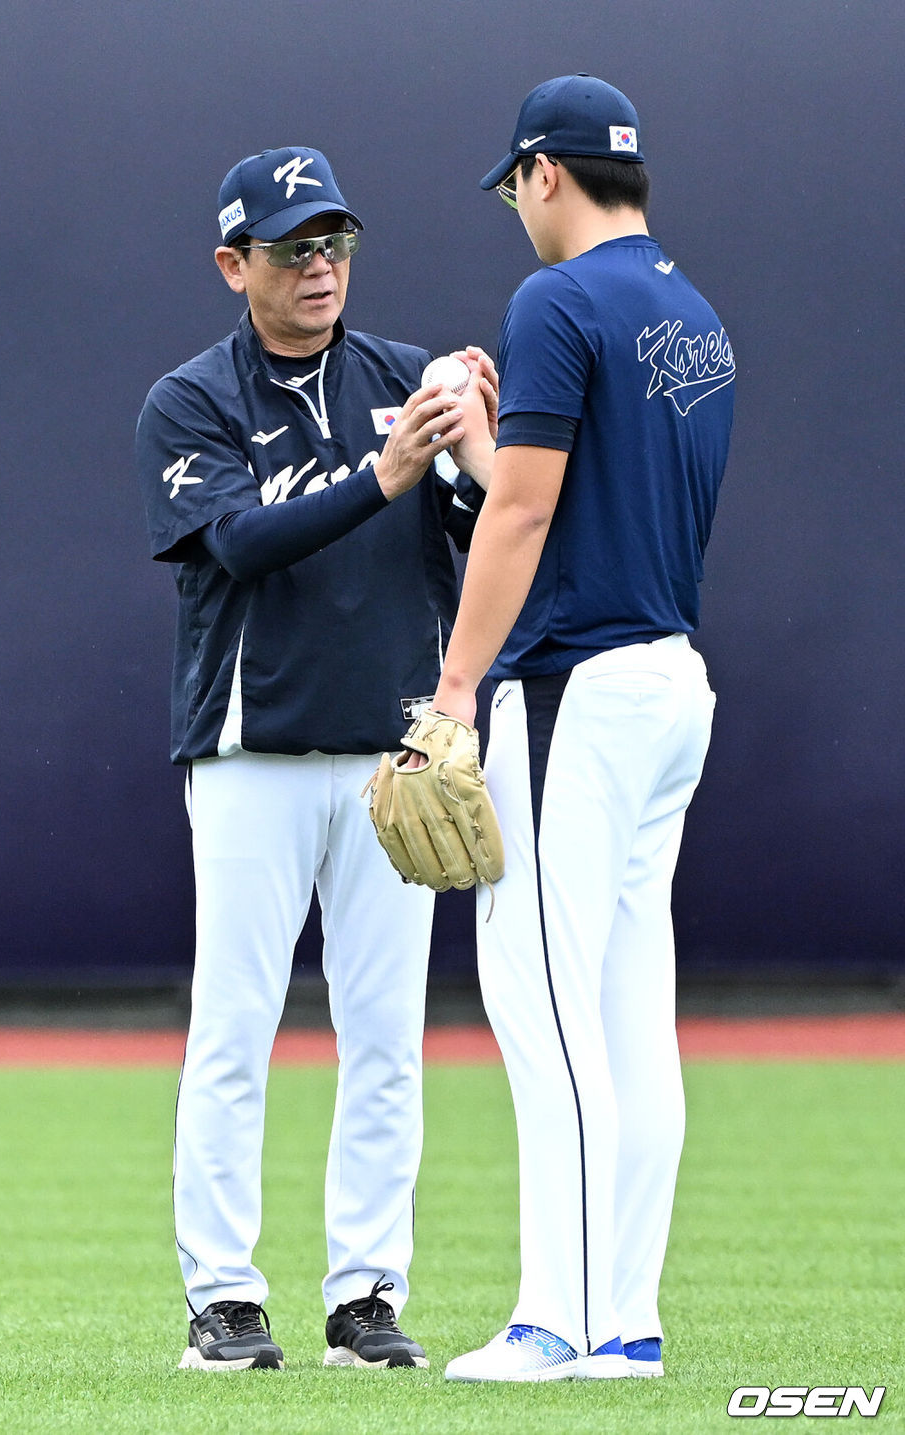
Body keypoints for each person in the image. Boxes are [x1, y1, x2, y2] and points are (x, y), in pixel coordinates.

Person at [135, 145, 493, 1372]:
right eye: (293, 247)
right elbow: (236, 543)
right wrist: (384, 474)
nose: (321, 267)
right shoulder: (190, 399)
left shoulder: (408, 378)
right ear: (235, 264)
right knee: (233, 1028)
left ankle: (364, 1296)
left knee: (387, 1035)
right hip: (252, 750)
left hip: (390, 759)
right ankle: (224, 1299)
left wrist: (478, 445)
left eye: (334, 241)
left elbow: (481, 526)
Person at [426, 76, 736, 1382]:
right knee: (624, 1015)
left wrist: (448, 695)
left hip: (574, 693)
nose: (514, 210)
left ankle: (560, 1318)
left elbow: (525, 518)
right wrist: (486, 440)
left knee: (542, 1001)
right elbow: (569, 491)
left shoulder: (556, 299)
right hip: (670, 682)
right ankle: (629, 1321)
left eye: (513, 187)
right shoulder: (694, 310)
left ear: (545, 173)